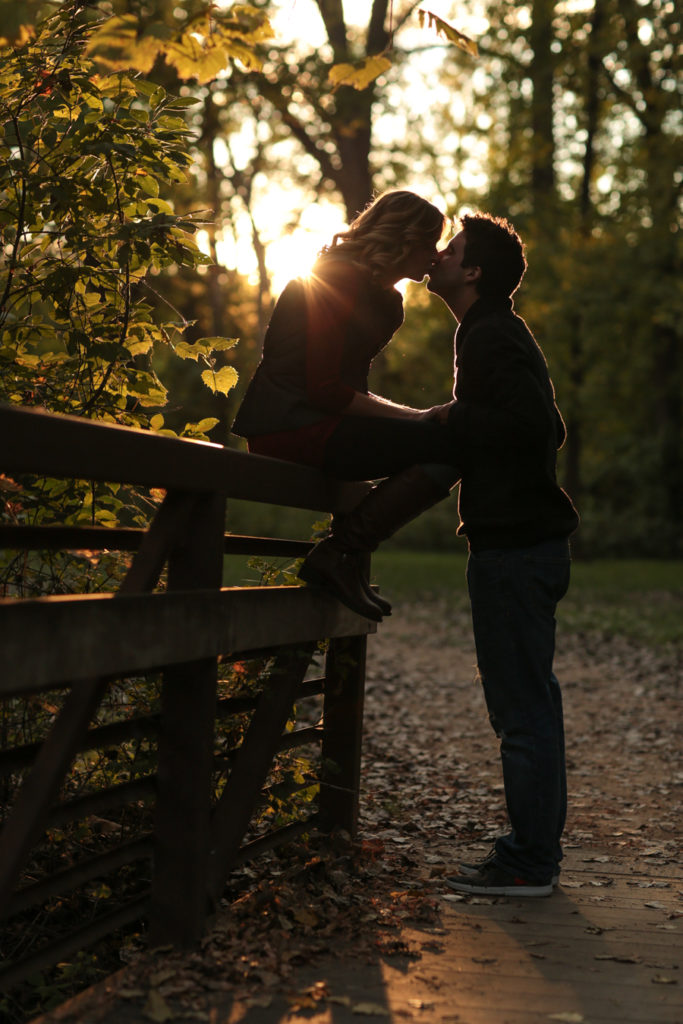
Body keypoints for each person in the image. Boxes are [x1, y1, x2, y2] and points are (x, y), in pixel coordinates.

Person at [425, 213, 579, 897]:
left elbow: (536, 428)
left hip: (515, 549)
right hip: (520, 545)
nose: (437, 256)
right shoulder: (488, 331)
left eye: (450, 250)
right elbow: (547, 422)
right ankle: (532, 855)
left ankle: (528, 863)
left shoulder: (488, 334)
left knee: (521, 709)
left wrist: (444, 419)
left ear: (473, 271)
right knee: (528, 703)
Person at [232, 190, 461, 621]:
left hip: (324, 425)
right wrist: (418, 417)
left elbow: (349, 387)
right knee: (451, 443)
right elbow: (323, 390)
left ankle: (345, 558)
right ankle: (339, 554)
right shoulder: (336, 278)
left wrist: (417, 421)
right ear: (404, 239)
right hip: (288, 427)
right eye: (430, 243)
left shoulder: (387, 300)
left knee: (452, 439)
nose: (435, 256)